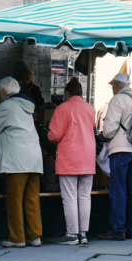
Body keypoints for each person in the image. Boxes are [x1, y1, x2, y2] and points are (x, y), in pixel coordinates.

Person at [0, 77, 44, 247]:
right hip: (34, 158)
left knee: (14, 199)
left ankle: (17, 238)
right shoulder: (26, 106)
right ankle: (35, 236)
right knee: (32, 199)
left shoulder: (6, 105)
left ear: (3, 91)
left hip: (17, 159)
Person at [47, 78, 96, 245]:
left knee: (69, 197)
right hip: (88, 158)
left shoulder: (62, 109)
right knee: (84, 196)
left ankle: (72, 234)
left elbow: (54, 135)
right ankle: (83, 233)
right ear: (81, 93)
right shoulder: (90, 109)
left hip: (69, 158)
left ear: (67, 93)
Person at [98, 73, 132, 241]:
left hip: (121, 149)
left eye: (113, 87)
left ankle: (118, 229)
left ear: (117, 86)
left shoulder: (118, 100)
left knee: (118, 189)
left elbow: (109, 130)